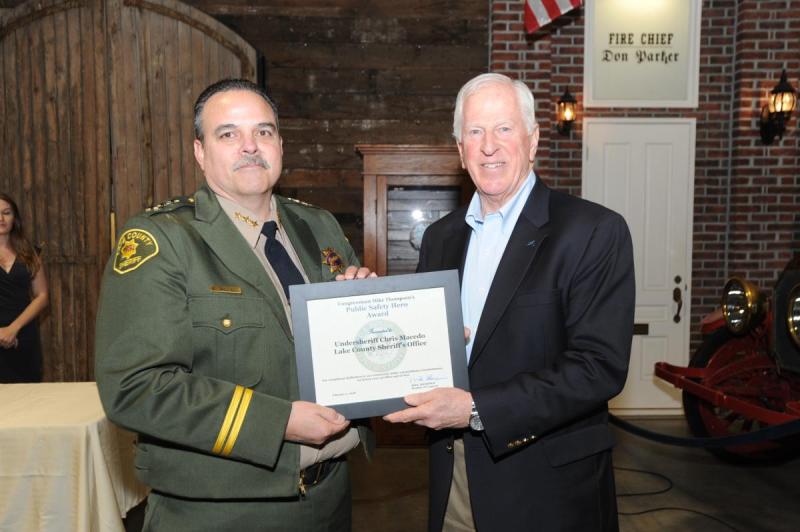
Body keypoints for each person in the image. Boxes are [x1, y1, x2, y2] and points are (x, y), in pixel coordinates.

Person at [95, 79, 375, 531]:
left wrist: (374, 314)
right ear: (200, 152)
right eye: (228, 134)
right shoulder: (162, 240)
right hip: (221, 509)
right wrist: (278, 421)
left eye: (263, 132)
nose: (250, 146)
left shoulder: (317, 225)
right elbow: (135, 387)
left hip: (330, 499)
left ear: (280, 145)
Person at [384, 73, 635, 531]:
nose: (488, 146)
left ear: (533, 139)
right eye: (474, 132)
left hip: (547, 490)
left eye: (503, 128)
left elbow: (599, 367)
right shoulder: (441, 237)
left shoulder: (593, 231)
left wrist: (475, 408)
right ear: (460, 149)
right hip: (455, 476)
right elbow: (421, 348)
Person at [0, 193, 48, 383]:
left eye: (6, 212)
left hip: (24, 336)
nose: (1, 219)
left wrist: (14, 328)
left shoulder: (29, 252)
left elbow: (42, 295)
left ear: (15, 218)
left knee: (29, 399)